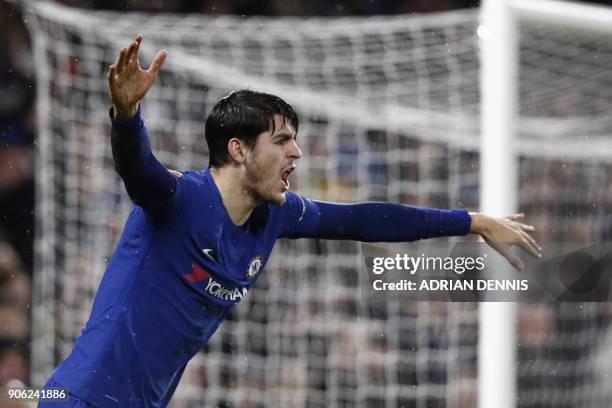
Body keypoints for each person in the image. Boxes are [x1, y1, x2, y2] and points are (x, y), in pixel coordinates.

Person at [40, 35, 541, 407]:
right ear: (238, 150)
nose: (296, 152)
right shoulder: (180, 199)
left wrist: (470, 220)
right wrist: (127, 116)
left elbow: (363, 220)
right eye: (281, 140)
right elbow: (138, 171)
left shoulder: (276, 215)